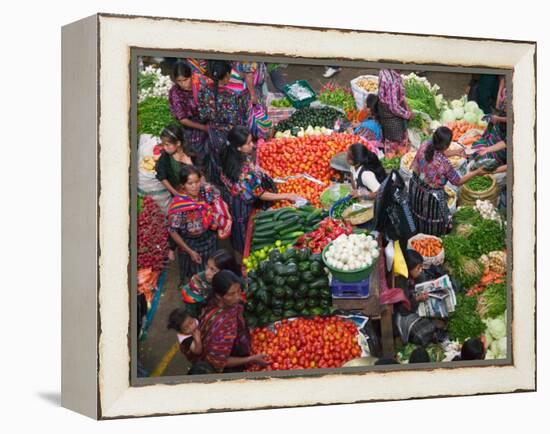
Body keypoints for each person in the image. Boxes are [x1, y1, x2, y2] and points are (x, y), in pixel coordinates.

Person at [220, 126, 302, 255]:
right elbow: (261, 194)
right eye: (248, 143)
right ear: (238, 147)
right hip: (241, 206)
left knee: (237, 230)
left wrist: (261, 173)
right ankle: (241, 256)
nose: (252, 145)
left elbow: (252, 171)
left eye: (251, 141)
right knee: (243, 233)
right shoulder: (243, 172)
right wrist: (287, 195)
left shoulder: (229, 157)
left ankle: (238, 250)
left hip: (232, 199)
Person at [185, 270, 269, 374]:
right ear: (219, 296)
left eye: (239, 291)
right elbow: (218, 362)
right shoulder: (223, 327)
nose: (238, 296)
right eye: (232, 294)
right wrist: (251, 359)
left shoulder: (216, 303)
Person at [409, 126, 487, 236]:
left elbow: (436, 152)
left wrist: (455, 152)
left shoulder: (425, 144)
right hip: (432, 198)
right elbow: (458, 182)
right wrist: (476, 172)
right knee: (433, 220)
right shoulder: (444, 164)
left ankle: (417, 231)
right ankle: (432, 237)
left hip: (415, 187)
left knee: (417, 212)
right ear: (446, 145)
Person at [168, 165, 223, 282]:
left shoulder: (206, 191)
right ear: (183, 185)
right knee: (197, 275)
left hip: (209, 238)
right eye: (190, 183)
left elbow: (219, 200)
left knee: (213, 269)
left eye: (197, 182)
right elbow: (173, 232)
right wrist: (190, 251)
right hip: (191, 244)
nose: (194, 186)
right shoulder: (178, 205)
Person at [196, 60, 248, 183]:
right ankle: (231, 187)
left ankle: (218, 182)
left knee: (216, 164)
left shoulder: (204, 91)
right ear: (226, 76)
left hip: (212, 134)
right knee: (230, 165)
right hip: (228, 136)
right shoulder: (232, 95)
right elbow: (238, 120)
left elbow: (202, 115)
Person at [168, 61, 209, 169]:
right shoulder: (175, 92)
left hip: (208, 122)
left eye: (185, 80)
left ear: (191, 76)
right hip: (191, 129)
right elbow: (183, 119)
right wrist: (204, 128)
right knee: (197, 156)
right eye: (179, 81)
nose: (183, 84)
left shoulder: (201, 84)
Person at [181, 249, 241, 318]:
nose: (207, 272)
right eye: (207, 266)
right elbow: (192, 313)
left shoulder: (235, 282)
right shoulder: (196, 285)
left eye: (213, 270)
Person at [155, 124, 199, 197]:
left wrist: (191, 165)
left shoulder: (191, 155)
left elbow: (202, 178)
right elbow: (162, 177)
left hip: (195, 192)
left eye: (167, 144)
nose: (164, 148)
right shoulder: (165, 157)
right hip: (179, 193)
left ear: (178, 143)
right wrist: (175, 193)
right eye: (163, 144)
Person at [377, 69, 413, 157]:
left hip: (385, 110)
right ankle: (396, 160)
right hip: (391, 115)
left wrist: (405, 103)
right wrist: (408, 115)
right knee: (396, 139)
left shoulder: (384, 71)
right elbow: (394, 107)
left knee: (390, 138)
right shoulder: (393, 82)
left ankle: (393, 155)